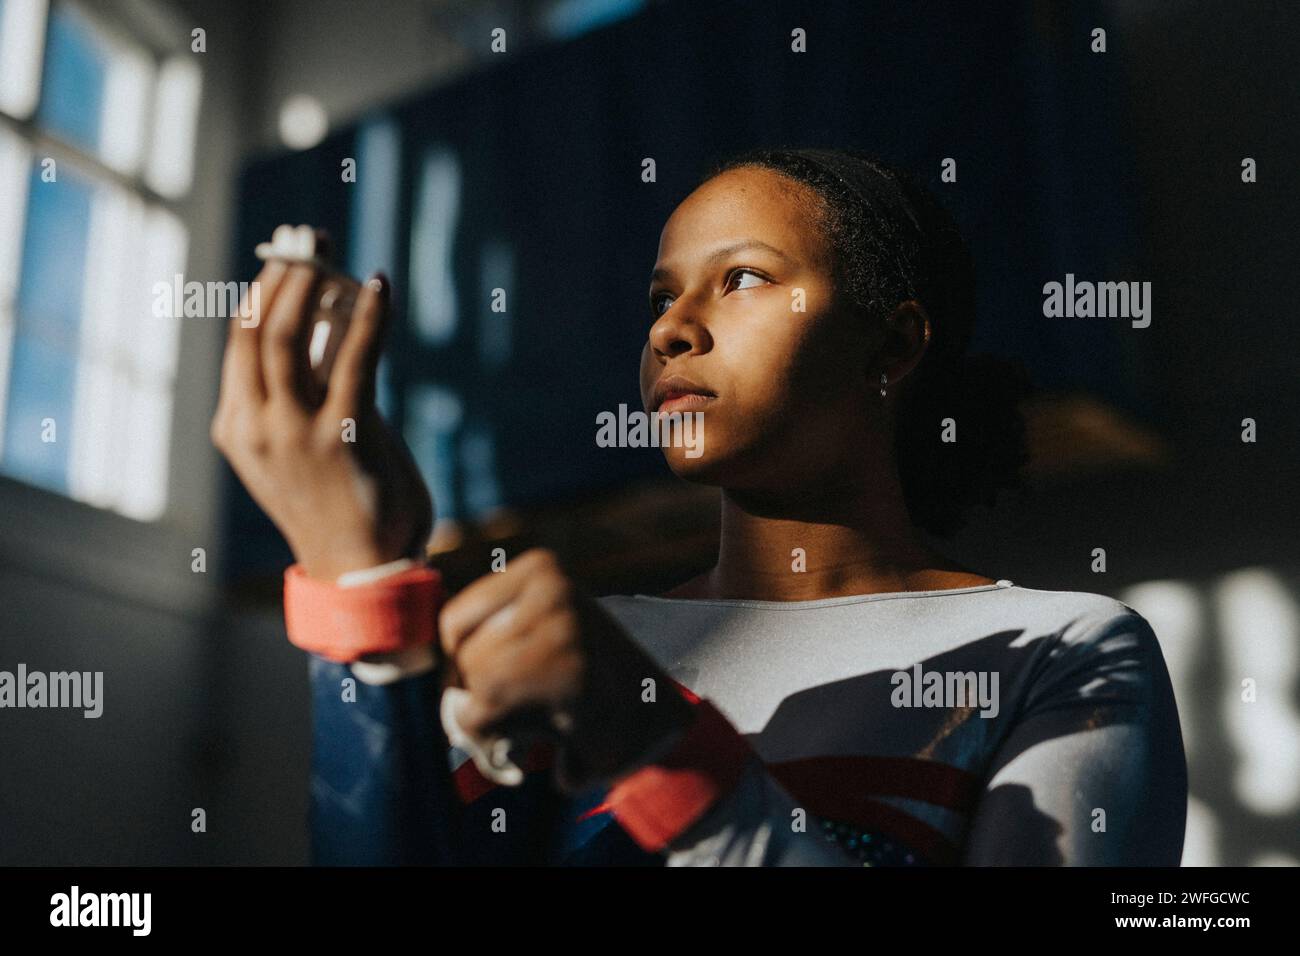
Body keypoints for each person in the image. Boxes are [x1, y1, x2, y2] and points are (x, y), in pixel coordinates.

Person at [210, 146, 1188, 866]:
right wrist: (363, 589)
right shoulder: (567, 646)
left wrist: (663, 756)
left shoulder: (1065, 646)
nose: (673, 329)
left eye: (743, 279)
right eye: (660, 297)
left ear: (891, 349)